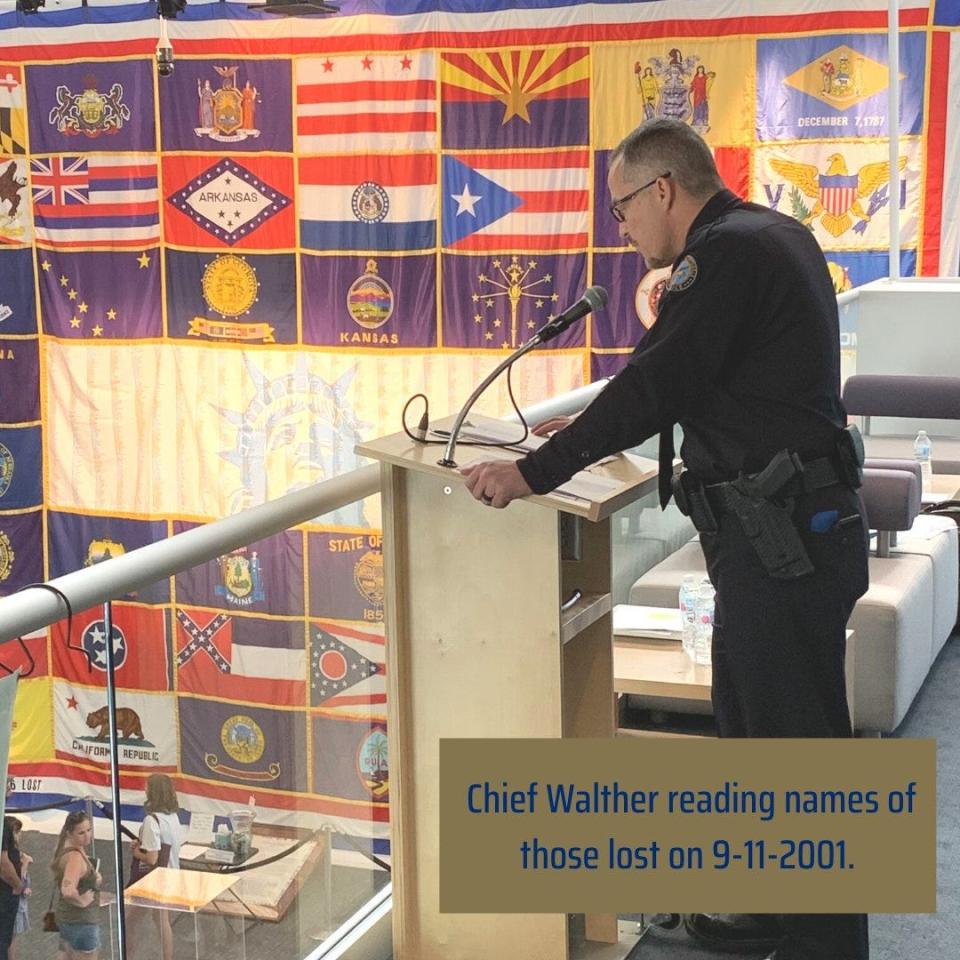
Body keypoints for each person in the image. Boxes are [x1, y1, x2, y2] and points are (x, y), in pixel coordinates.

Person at [462, 118, 869, 960]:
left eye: (622, 210)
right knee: (757, 736)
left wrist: (534, 471)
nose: (623, 230)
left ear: (663, 190)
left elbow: (656, 382)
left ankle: (825, 943)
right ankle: (766, 910)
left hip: (782, 542)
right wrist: (588, 423)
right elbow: (690, 376)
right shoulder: (770, 234)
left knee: (798, 757)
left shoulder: (721, 258)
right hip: (781, 537)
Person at [127, 774, 182, 960]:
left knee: (132, 922)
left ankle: (129, 954)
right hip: (171, 874)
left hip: (154, 880)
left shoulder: (152, 821)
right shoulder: (173, 817)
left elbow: (151, 858)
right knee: (159, 920)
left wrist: (136, 852)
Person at [51, 810, 101, 960]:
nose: (87, 836)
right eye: (81, 833)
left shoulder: (66, 848)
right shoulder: (75, 857)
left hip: (67, 919)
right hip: (82, 922)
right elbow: (68, 891)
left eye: (89, 830)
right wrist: (82, 901)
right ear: (70, 833)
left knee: (65, 954)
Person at [0, 817, 24, 960]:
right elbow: (3, 864)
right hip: (6, 894)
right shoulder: (3, 827)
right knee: (4, 939)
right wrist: (18, 886)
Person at [8, 817, 31, 959]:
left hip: (14, 900)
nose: (20, 835)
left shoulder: (14, 851)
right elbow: (17, 877)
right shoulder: (11, 854)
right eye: (18, 832)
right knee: (11, 938)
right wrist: (26, 863)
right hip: (13, 901)